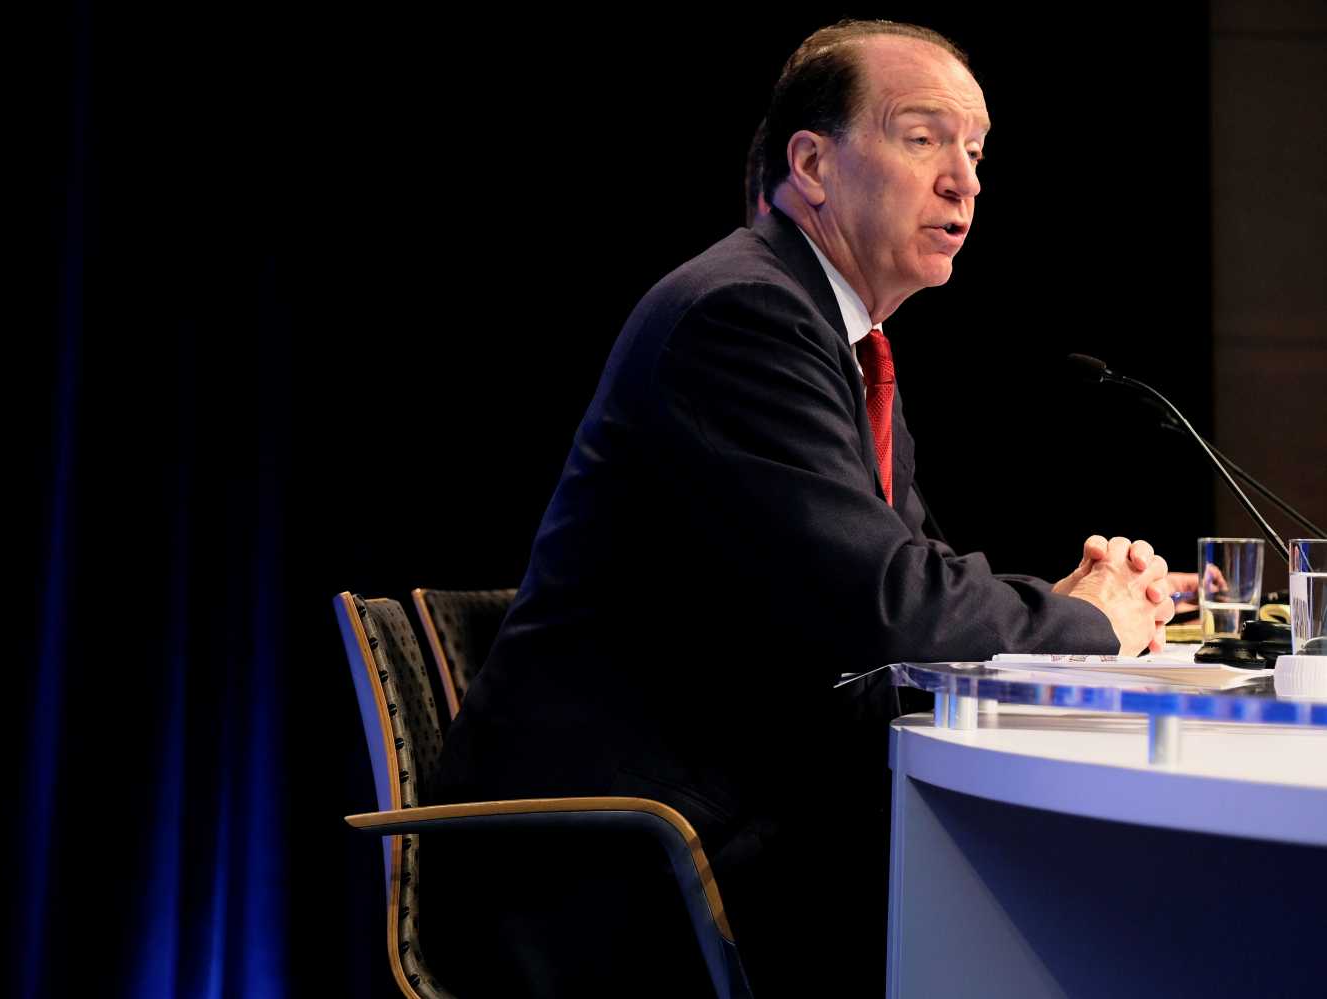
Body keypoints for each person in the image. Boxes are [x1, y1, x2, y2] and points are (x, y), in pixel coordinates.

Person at [428, 19, 1191, 997]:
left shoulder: (846, 342)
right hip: (605, 863)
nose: (964, 180)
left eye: (976, 150)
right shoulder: (742, 316)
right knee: (1061, 904)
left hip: (719, 819)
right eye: (925, 137)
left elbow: (901, 592)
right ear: (813, 165)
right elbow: (893, 610)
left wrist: (1070, 606)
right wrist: (1084, 621)